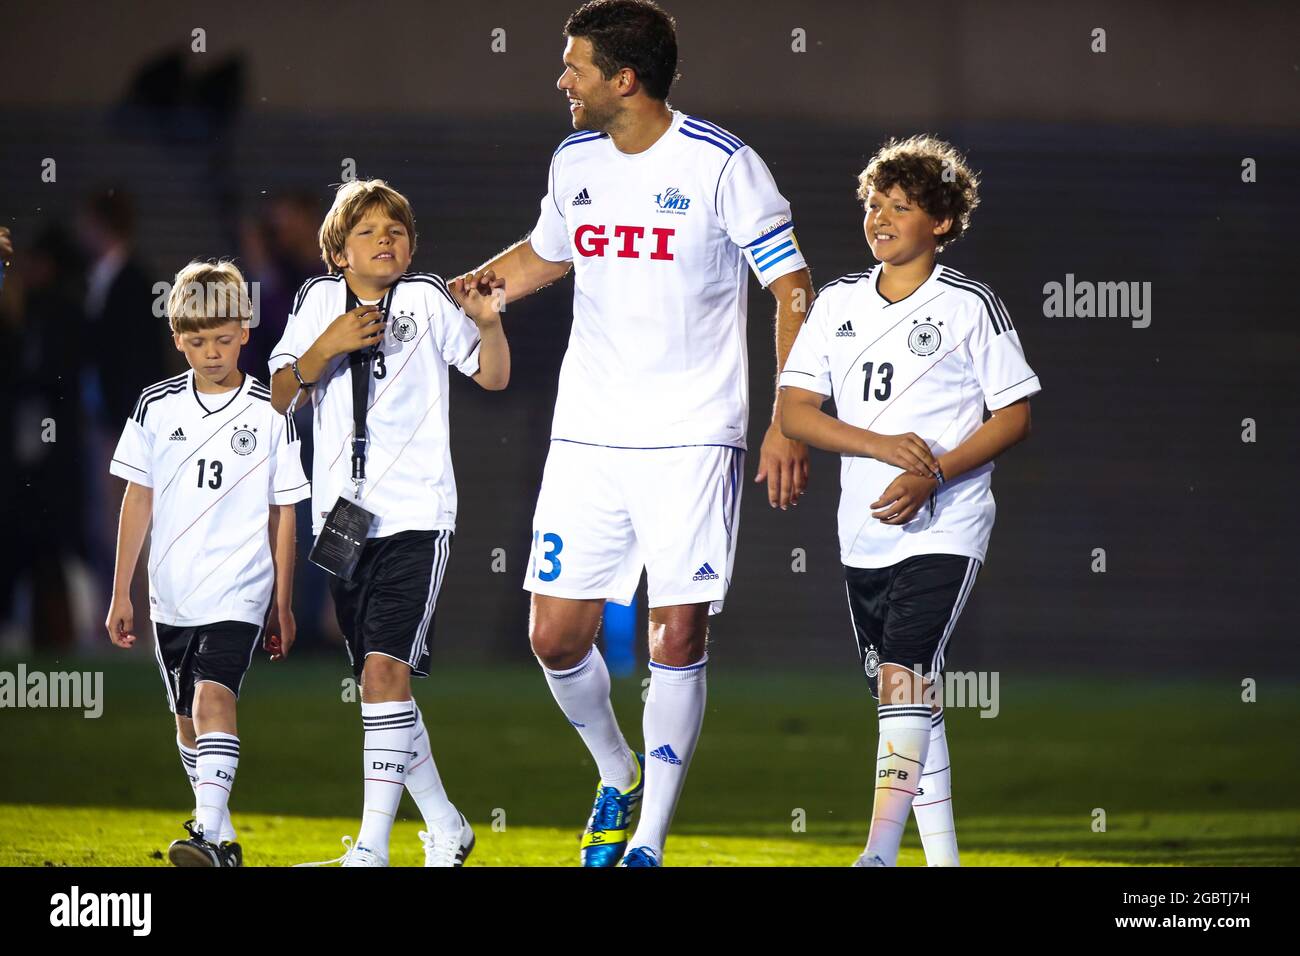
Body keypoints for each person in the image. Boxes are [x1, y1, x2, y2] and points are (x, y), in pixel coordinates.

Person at [459, 0, 814, 867]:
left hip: (694, 435)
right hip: (587, 434)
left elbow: (793, 286)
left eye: (573, 65)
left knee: (676, 633)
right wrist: (448, 299)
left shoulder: (724, 166)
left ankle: (648, 840)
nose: (561, 80)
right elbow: (547, 254)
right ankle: (617, 772)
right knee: (555, 637)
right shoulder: (575, 158)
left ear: (624, 79)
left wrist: (788, 416)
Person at [779, 135, 1040, 866]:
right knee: (907, 696)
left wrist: (935, 472)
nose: (881, 218)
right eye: (873, 204)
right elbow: (796, 412)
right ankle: (945, 861)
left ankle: (879, 854)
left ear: (944, 224)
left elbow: (1014, 415)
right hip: (862, 532)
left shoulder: (968, 305)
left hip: (946, 524)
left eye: (901, 206)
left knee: (905, 670)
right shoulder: (833, 304)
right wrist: (880, 446)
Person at [269, 179, 510, 867]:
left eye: (398, 230)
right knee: (384, 688)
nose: (387, 239)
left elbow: (492, 377)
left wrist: (489, 323)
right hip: (341, 520)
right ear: (338, 251)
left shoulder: (428, 299)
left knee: (382, 674)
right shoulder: (317, 301)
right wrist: (326, 347)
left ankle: (371, 850)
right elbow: (280, 397)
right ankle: (447, 826)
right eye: (371, 230)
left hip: (414, 514)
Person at [105, 259, 309, 866]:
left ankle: (201, 830)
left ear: (246, 331)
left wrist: (283, 600)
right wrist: (121, 592)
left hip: (240, 588)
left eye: (223, 339)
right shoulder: (154, 406)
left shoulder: (271, 410)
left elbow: (284, 510)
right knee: (185, 718)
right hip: (171, 593)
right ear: (177, 340)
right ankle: (220, 843)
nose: (211, 352)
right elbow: (137, 498)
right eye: (196, 341)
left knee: (213, 695)